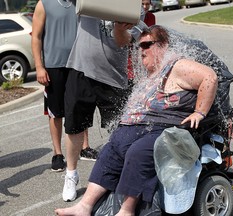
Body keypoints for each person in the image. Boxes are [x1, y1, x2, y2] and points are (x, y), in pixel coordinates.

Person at [55, 25, 218, 216]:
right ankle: (84, 207)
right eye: (140, 46)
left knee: (137, 152)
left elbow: (209, 77)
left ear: (163, 45)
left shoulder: (177, 65)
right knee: (110, 149)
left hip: (164, 130)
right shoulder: (152, 73)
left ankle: (127, 210)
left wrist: (199, 112)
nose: (142, 50)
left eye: (147, 45)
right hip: (139, 130)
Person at [61, 11, 148, 202]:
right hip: (80, 69)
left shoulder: (131, 7)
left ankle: (118, 177)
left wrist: (118, 27)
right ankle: (71, 174)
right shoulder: (88, 4)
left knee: (120, 131)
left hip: (114, 79)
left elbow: (123, 41)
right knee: (74, 127)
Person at [31, 0, 98, 172]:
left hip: (78, 64)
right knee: (56, 111)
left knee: (80, 106)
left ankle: (84, 147)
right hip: (54, 66)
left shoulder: (81, 3)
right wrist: (39, 67)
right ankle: (57, 153)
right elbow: (36, 37)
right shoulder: (44, 4)